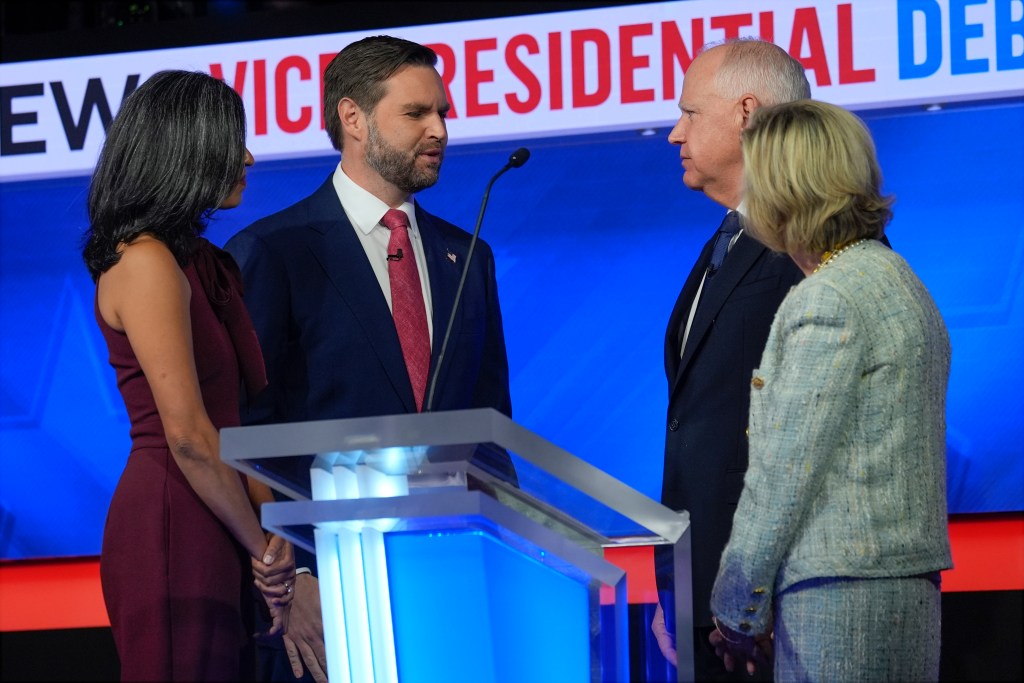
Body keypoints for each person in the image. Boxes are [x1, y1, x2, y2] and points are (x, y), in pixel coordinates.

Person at [225, 35, 513, 683]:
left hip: (451, 585)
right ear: (353, 118)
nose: (439, 129)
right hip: (327, 596)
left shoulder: (468, 256)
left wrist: (511, 553)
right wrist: (293, 573)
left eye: (442, 112)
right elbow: (248, 431)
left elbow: (490, 428)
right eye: (416, 113)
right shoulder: (276, 251)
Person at [708, 98, 952, 681]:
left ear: (784, 190)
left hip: (839, 597)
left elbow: (785, 473)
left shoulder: (828, 298)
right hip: (903, 588)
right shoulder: (899, 279)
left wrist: (735, 607)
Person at [83, 69, 296, 682]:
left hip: (222, 513)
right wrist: (262, 552)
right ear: (188, 147)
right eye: (234, 140)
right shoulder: (145, 261)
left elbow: (238, 420)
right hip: (175, 520)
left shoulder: (198, 262)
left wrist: (267, 540)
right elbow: (188, 435)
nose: (249, 156)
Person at [652, 38, 810, 681]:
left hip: (767, 609)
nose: (673, 133)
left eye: (690, 113)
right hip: (704, 595)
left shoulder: (808, 239)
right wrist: (677, 585)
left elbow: (805, 434)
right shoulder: (730, 237)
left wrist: (757, 594)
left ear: (745, 112)